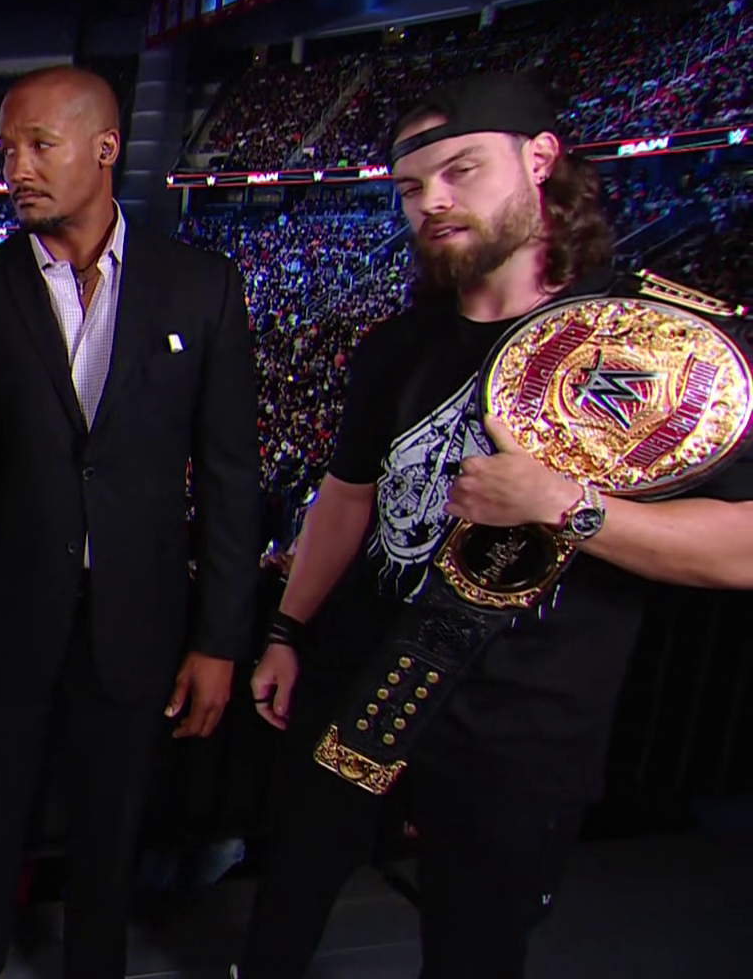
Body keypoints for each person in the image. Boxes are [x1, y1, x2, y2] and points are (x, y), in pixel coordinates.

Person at [235, 73, 753, 979]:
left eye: (461, 171)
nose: (431, 202)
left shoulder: (660, 341)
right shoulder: (397, 345)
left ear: (541, 159)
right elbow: (349, 498)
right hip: (355, 680)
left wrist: (570, 508)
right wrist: (288, 629)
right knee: (284, 909)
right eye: (410, 188)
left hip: (520, 725)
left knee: (473, 948)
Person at [0, 66, 261, 978]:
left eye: (39, 146)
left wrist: (220, 641)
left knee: (111, 825)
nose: (16, 169)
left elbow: (231, 481)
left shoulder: (202, 288)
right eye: (7, 149)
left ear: (105, 148)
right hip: (5, 613)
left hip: (138, 616)